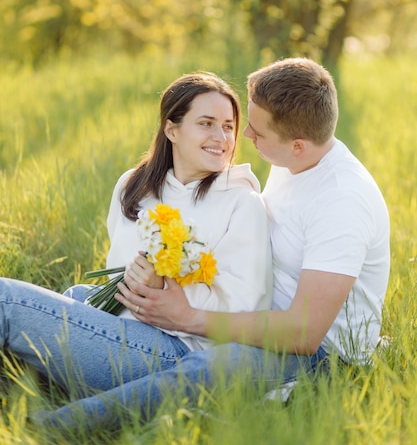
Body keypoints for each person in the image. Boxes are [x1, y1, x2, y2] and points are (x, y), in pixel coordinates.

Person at [35, 57, 390, 433]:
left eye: (256, 130)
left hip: (315, 354)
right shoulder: (294, 161)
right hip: (258, 320)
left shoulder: (341, 201)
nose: (245, 135)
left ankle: (51, 429)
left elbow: (303, 334)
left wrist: (189, 317)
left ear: (297, 146)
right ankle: (44, 385)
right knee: (78, 296)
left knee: (209, 368)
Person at [0, 73, 272, 412]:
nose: (221, 137)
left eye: (229, 126)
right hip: (119, 330)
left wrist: (161, 288)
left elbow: (247, 305)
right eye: (207, 123)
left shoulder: (242, 202)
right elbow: (120, 270)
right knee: (76, 296)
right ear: (172, 129)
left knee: (5, 300)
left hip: (176, 350)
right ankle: (23, 402)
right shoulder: (133, 185)